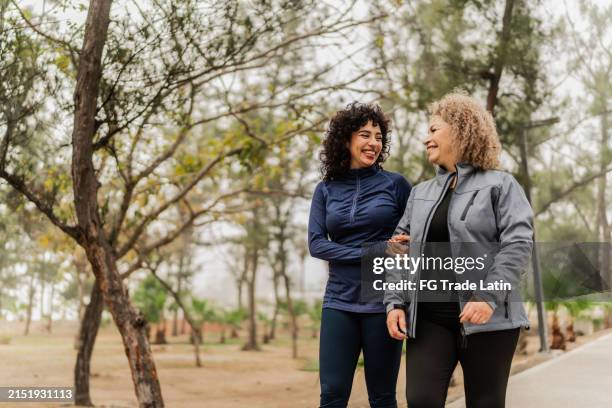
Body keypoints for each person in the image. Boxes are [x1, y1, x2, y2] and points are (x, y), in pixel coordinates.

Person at [384, 91, 533, 408]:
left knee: (485, 403)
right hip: (429, 319)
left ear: (461, 131)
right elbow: (399, 249)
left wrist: (488, 297)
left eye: (434, 130)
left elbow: (518, 244)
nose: (427, 139)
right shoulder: (420, 193)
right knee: (421, 400)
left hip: (488, 320)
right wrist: (394, 302)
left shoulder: (501, 185)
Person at [308, 102, 412, 408]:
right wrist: (376, 250)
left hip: (383, 301)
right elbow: (316, 244)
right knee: (332, 395)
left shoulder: (396, 185)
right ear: (345, 140)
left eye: (378, 137)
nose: (373, 143)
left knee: (382, 397)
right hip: (338, 299)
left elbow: (408, 243)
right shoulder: (325, 189)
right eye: (365, 135)